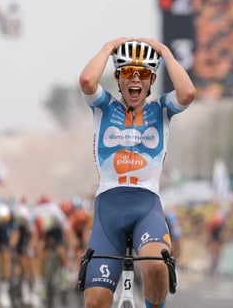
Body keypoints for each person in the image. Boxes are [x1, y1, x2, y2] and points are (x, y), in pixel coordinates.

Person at [79, 38, 196, 308]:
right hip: (108, 208)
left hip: (146, 207)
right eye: (128, 73)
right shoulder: (104, 106)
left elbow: (187, 93)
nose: (136, 79)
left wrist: (165, 52)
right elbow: (87, 80)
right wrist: (108, 48)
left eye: (143, 73)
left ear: (152, 79)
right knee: (95, 301)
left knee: (156, 267)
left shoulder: (162, 110)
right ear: (118, 77)